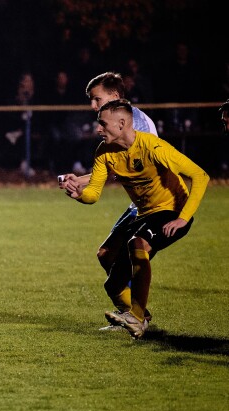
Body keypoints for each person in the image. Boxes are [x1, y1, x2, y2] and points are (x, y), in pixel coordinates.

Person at [63, 99, 208, 338]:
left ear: (121, 124)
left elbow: (200, 176)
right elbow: (93, 194)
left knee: (137, 243)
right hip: (146, 214)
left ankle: (137, 316)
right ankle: (138, 321)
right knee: (113, 284)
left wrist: (183, 218)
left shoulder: (153, 147)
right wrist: (79, 194)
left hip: (172, 210)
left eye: (102, 123)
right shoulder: (104, 152)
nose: (98, 129)